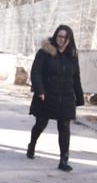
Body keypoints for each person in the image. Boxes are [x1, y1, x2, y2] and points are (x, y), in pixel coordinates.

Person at [26, 24, 84, 171]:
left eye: (65, 37)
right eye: (60, 36)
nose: (62, 40)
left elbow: (76, 77)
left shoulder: (72, 55)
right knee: (41, 124)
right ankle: (32, 144)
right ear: (55, 36)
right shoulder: (45, 52)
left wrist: (79, 97)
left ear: (70, 39)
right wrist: (39, 90)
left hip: (66, 97)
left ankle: (64, 160)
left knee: (64, 127)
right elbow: (36, 72)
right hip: (46, 95)